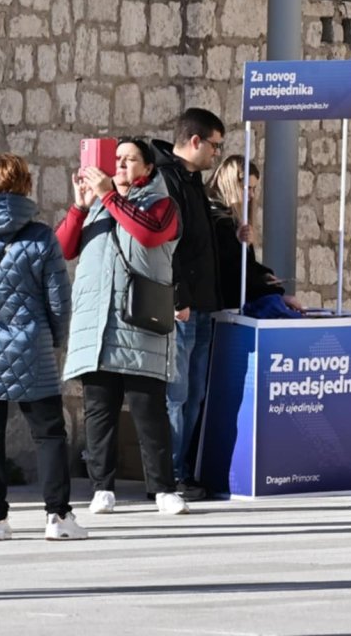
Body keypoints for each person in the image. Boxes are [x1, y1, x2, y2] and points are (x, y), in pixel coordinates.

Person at [0, 154, 85, 542]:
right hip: (31, 345)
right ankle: (58, 517)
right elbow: (59, 301)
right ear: (26, 184)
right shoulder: (41, 236)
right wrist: (55, 339)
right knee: (49, 434)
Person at [57, 138, 190, 516]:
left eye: (130, 160)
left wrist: (109, 196)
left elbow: (148, 233)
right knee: (99, 411)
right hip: (97, 325)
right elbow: (63, 247)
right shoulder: (99, 204)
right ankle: (102, 488)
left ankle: (163, 488)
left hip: (140, 325)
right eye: (116, 159)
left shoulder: (162, 204)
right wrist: (80, 207)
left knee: (149, 411)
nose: (120, 166)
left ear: (147, 168)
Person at [148, 108, 225, 500]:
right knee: (176, 396)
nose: (217, 153)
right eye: (214, 145)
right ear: (195, 141)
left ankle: (183, 471)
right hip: (182, 306)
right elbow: (167, 244)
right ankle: (168, 476)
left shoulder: (193, 181)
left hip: (204, 303)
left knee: (194, 395)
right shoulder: (167, 180)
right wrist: (178, 295)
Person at [205, 155, 304, 313]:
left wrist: (263, 275)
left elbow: (246, 264)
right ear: (231, 186)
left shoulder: (233, 219)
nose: (251, 195)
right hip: (225, 307)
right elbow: (233, 271)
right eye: (246, 188)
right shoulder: (218, 222)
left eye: (254, 189)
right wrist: (276, 293)